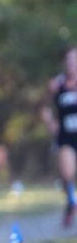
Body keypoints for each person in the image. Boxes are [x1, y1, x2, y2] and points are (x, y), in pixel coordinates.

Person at [40, 47, 77, 228]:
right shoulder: (56, 85)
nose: (72, 64)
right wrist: (50, 123)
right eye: (69, 61)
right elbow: (44, 107)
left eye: (75, 60)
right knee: (66, 174)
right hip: (66, 137)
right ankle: (71, 202)